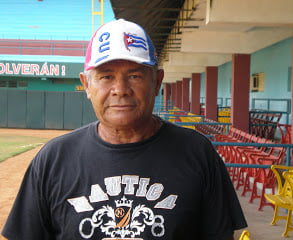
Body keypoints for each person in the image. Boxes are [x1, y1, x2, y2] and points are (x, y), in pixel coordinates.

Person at [2, 19, 247, 240]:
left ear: (157, 82)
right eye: (106, 76)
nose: (120, 89)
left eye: (135, 76)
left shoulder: (198, 153)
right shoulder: (53, 159)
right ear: (86, 85)